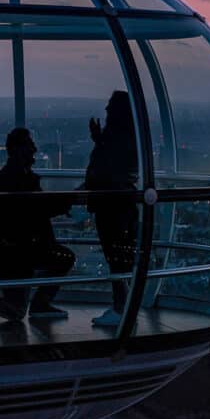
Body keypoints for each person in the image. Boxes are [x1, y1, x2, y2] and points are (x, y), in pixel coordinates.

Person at [0, 128, 75, 322]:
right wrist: (66, 202)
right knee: (63, 258)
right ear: (19, 149)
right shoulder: (18, 177)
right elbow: (37, 209)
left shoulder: (14, 174)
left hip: (14, 250)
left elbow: (33, 208)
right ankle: (39, 305)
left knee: (16, 310)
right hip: (18, 251)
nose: (34, 149)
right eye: (29, 144)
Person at [84, 90, 139, 327]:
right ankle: (123, 308)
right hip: (119, 206)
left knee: (116, 258)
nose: (105, 111)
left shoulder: (117, 140)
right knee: (120, 258)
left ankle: (120, 309)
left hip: (112, 207)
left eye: (109, 107)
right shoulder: (125, 138)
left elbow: (108, 168)